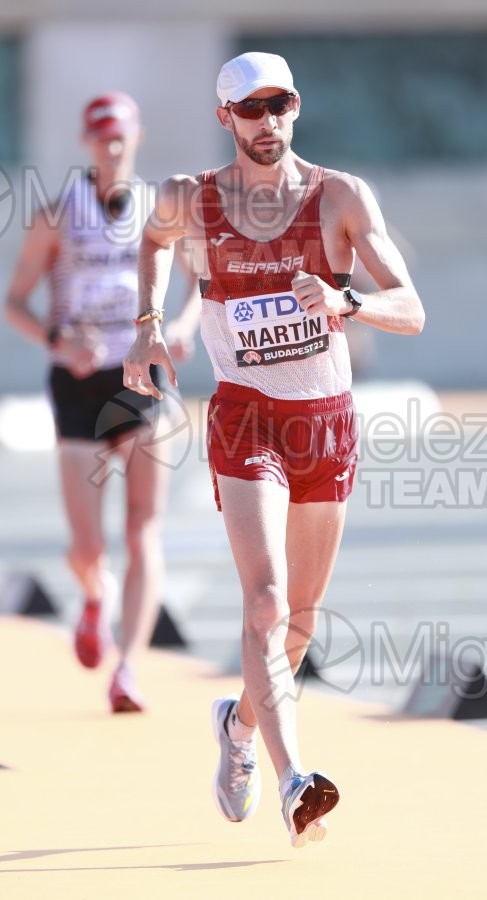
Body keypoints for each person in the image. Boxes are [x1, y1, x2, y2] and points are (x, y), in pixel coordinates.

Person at [123, 52, 425, 846]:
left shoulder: (340, 197)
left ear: (296, 108)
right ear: (225, 117)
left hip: (324, 421)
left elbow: (412, 309)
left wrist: (345, 299)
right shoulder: (191, 197)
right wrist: (147, 328)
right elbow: (153, 244)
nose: (268, 122)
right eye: (250, 109)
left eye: (280, 105)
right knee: (262, 601)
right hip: (246, 417)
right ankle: (296, 780)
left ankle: (240, 727)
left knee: (297, 625)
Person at [4, 91, 200, 713]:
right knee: (86, 546)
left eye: (121, 137)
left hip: (140, 377)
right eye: (102, 138)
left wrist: (184, 326)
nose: (112, 148)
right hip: (78, 383)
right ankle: (96, 593)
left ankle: (129, 668)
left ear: (136, 138)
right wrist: (58, 338)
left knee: (143, 528)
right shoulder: (57, 214)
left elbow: (204, 275)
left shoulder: (157, 208)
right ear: (88, 142)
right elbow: (15, 301)